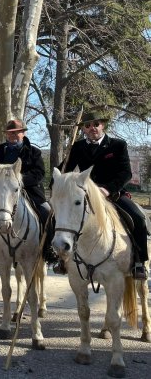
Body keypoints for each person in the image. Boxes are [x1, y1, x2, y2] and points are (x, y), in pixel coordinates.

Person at [60, 108, 148, 280]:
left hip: (112, 194)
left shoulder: (118, 145)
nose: (92, 127)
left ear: (103, 126)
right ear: (84, 129)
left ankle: (139, 262)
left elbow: (125, 173)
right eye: (88, 125)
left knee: (138, 218)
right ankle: (60, 258)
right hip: (84, 196)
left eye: (96, 124)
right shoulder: (77, 147)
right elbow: (64, 168)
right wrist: (56, 182)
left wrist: (107, 189)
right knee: (58, 216)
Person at [0, 119, 55, 267]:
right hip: (3, 194)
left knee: (48, 213)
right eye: (10, 133)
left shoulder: (34, 152)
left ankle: (48, 250)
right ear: (7, 134)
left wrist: (19, 182)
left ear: (23, 133)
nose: (13, 135)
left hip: (30, 191)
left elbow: (39, 173)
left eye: (16, 132)